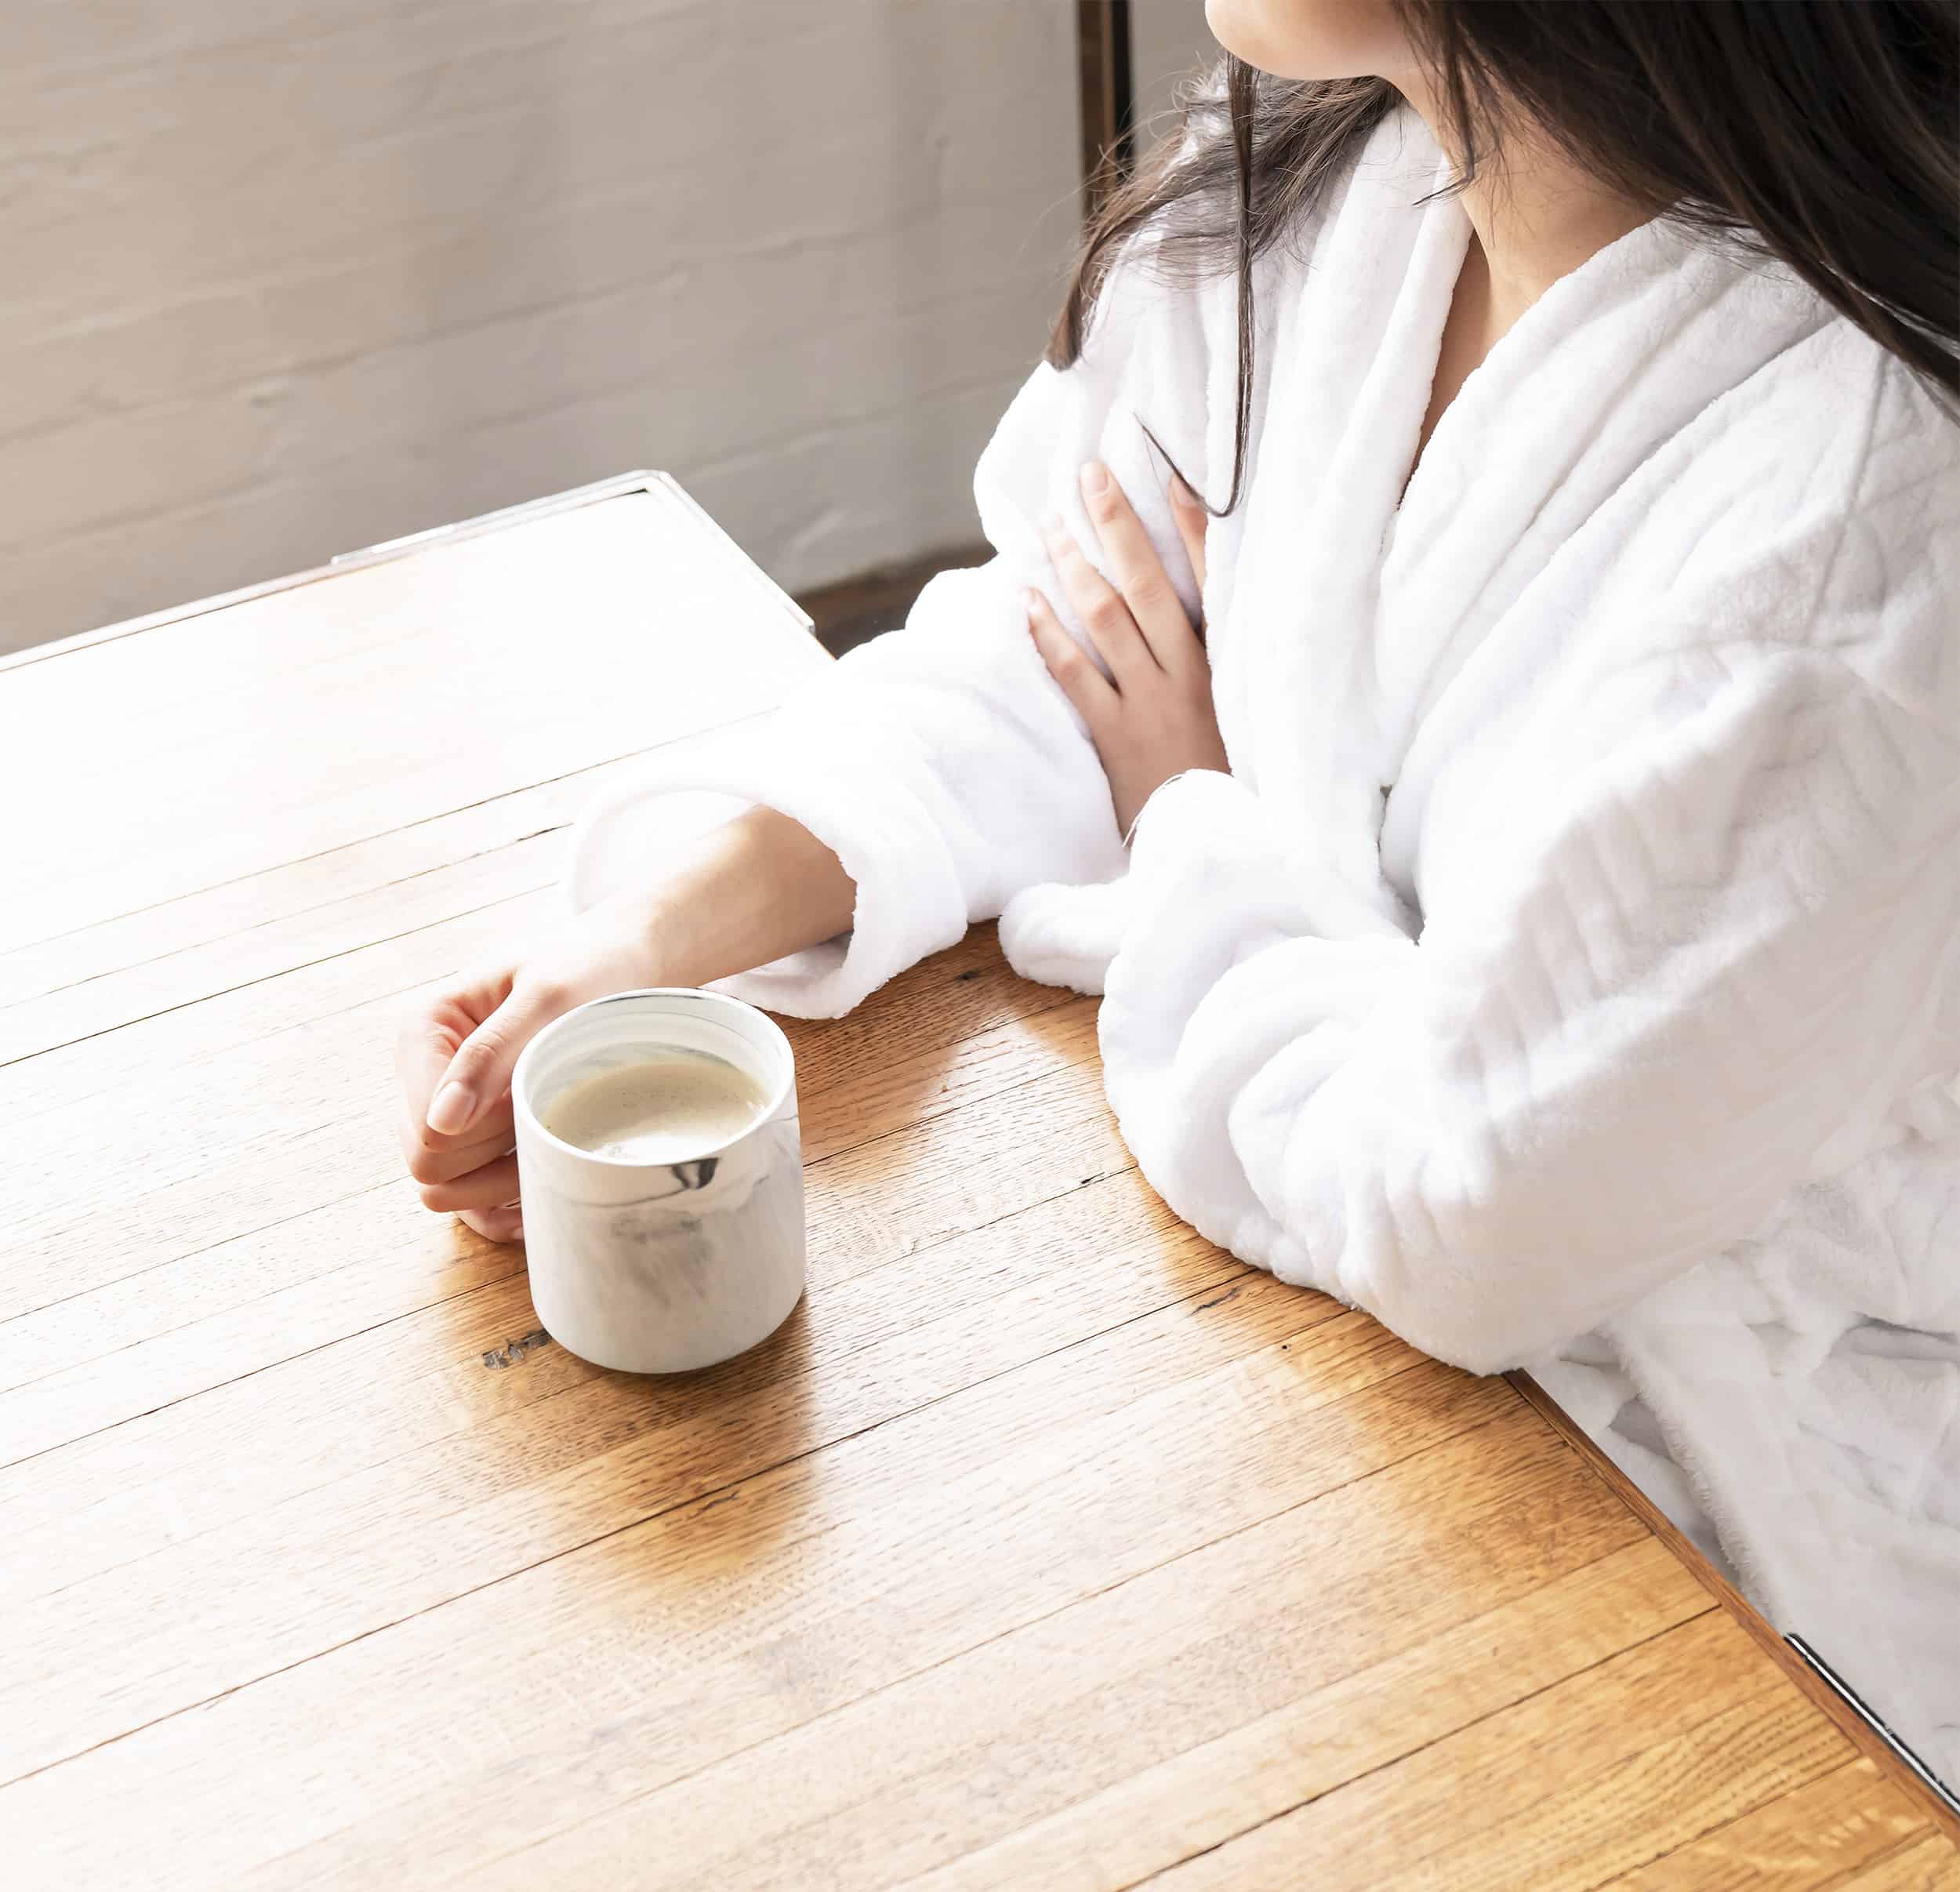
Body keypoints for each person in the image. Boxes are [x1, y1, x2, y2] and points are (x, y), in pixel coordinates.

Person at [396, 2, 1960, 1780]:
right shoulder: (1341, 191)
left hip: (1738, 1586)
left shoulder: (1850, 528)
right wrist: (662, 934)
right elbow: (1089, 625)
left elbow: (1474, 1202)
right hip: (1336, 1394)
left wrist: (1189, 810)